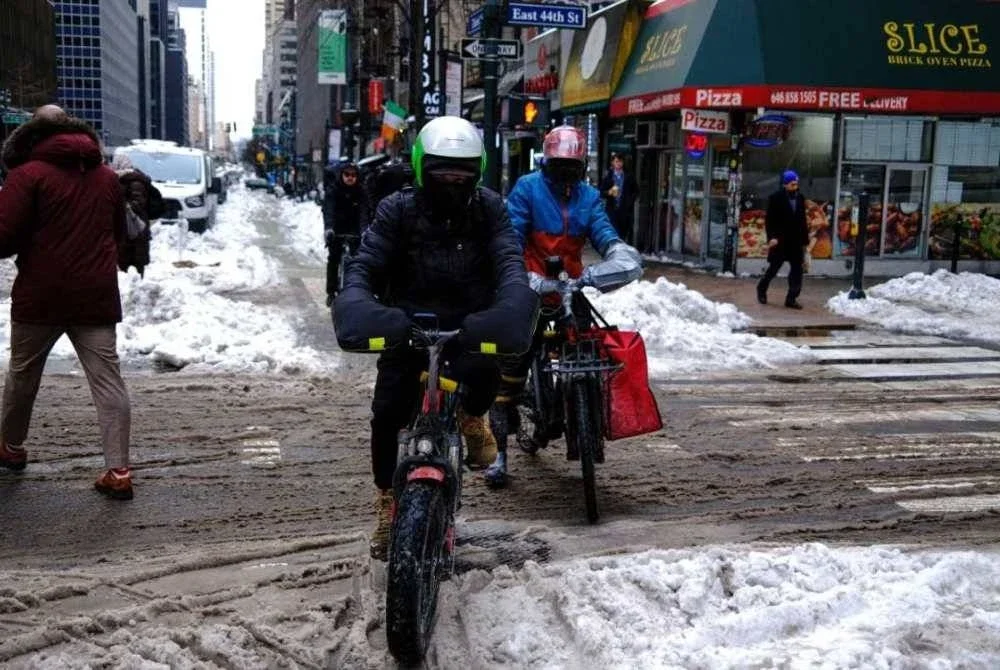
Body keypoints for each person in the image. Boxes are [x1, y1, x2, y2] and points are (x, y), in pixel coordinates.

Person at [333, 116, 538, 560]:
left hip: (471, 324)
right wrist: (360, 301)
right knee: (387, 412)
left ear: (477, 172)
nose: (452, 181)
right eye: (443, 171)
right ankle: (388, 501)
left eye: (462, 173)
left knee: (484, 374)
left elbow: (509, 263)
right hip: (406, 325)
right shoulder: (397, 209)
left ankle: (471, 417)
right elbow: (366, 264)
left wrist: (510, 305)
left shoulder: (491, 209)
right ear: (422, 167)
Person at [486, 125, 642, 487]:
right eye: (560, 167)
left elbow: (604, 233)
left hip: (570, 289)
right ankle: (499, 453)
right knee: (512, 363)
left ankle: (586, 414)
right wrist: (524, 275)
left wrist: (617, 255)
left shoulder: (588, 197)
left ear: (582, 166)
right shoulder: (527, 189)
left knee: (592, 349)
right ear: (546, 163)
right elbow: (511, 237)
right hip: (530, 287)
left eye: (573, 167)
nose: (566, 175)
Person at [0, 105, 134, 500]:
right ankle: (119, 470)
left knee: (23, 375)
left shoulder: (27, 176)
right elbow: (119, 234)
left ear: (34, 135)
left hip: (40, 295)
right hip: (95, 295)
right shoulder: (108, 179)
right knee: (108, 380)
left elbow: (4, 236)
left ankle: (11, 447)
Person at [756, 170, 809, 309]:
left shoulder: (800, 198)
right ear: (785, 184)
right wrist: (772, 237)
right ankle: (761, 289)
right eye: (792, 184)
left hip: (796, 241)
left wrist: (805, 242)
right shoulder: (775, 198)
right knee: (774, 268)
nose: (795, 186)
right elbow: (770, 221)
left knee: (797, 270)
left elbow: (802, 220)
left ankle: (791, 298)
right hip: (780, 240)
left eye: (796, 183)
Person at [322, 159, 368, 307]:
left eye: (353, 175)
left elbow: (364, 212)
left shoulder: (361, 191)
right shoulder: (334, 189)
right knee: (334, 259)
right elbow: (329, 209)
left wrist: (364, 230)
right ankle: (331, 292)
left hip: (355, 230)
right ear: (342, 175)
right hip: (337, 229)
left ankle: (355, 291)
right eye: (347, 174)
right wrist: (329, 228)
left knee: (356, 261)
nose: (350, 177)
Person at [111, 153, 164, 278]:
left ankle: (136, 289)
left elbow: (138, 205)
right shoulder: (122, 180)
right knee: (128, 263)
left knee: (133, 264)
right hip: (132, 230)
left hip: (135, 230)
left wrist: (122, 206)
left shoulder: (134, 182)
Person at [598, 152, 638, 245]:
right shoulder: (608, 177)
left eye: (620, 161)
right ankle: (614, 249)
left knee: (623, 233)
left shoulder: (629, 176)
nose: (618, 164)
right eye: (616, 161)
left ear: (623, 163)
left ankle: (621, 251)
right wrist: (609, 192)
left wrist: (629, 201)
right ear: (612, 163)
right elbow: (600, 192)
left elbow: (636, 191)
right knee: (613, 231)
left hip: (625, 210)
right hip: (612, 209)